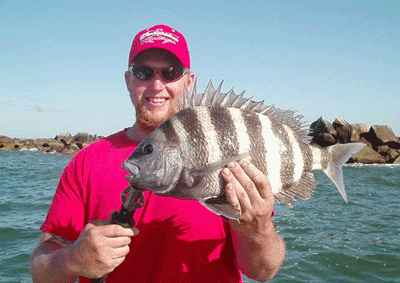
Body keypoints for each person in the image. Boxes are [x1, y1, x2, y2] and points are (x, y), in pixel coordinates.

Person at [30, 24, 286, 283]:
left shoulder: (227, 145)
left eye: (170, 73)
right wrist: (71, 259)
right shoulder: (87, 161)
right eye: (143, 72)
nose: (156, 85)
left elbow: (263, 272)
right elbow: (41, 271)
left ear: (189, 81)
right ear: (128, 80)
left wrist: (259, 230)